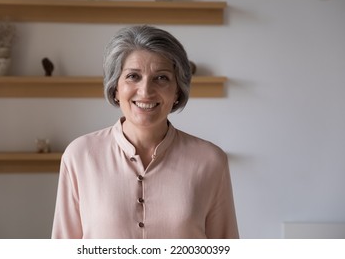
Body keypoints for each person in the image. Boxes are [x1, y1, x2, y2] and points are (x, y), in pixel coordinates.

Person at [51, 25, 239, 239]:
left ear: (177, 90)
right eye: (133, 76)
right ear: (115, 88)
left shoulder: (211, 161)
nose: (146, 91)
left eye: (161, 78)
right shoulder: (79, 155)